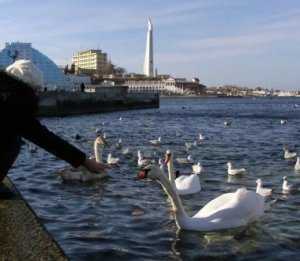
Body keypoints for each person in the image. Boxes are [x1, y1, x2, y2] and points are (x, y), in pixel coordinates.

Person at [0, 64, 107, 197]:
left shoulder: (5, 98)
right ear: (26, 86)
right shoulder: (13, 104)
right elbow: (44, 138)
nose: (38, 93)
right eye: (36, 89)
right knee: (14, 141)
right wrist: (86, 161)